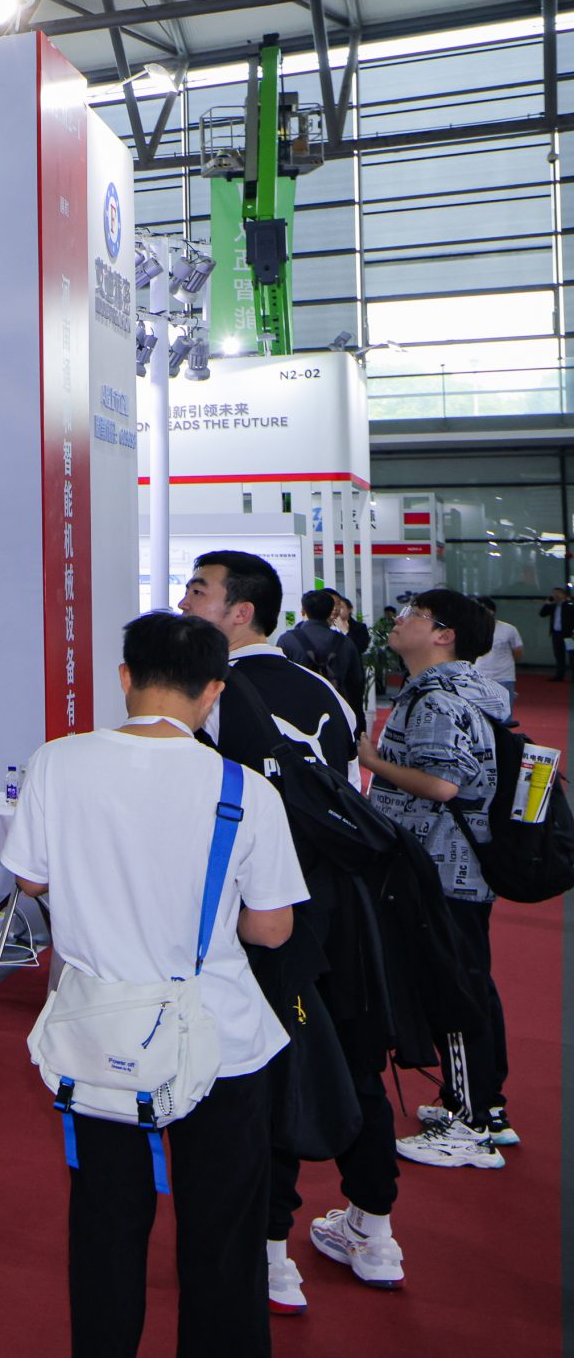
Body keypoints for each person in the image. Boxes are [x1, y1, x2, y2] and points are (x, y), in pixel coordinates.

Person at [4, 611, 305, 1358]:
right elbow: (272, 928)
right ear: (214, 690)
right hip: (220, 1039)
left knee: (105, 1225)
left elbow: (30, 879)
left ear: (125, 677)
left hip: (100, 1034)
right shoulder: (244, 787)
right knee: (224, 1235)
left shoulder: (57, 762)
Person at [180, 552, 395, 1310]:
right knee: (351, 1056)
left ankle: (271, 1251)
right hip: (340, 902)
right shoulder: (326, 690)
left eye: (198, 590)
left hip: (261, 910)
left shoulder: (210, 695)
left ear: (240, 612)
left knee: (266, 1066)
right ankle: (375, 1229)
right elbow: (348, 789)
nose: (185, 600)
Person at [360, 589, 514, 1166]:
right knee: (470, 983)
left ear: (444, 635)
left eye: (414, 615)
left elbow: (443, 784)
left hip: (441, 866)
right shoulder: (470, 691)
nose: (399, 622)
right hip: (462, 866)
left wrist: (373, 763)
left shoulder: (436, 699)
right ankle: (485, 1108)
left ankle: (469, 1125)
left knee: (453, 990)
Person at [279, 589, 368, 723]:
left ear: (303, 610)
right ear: (330, 611)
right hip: (336, 713)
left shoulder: (287, 639)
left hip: (297, 714)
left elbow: (280, 680)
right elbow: (357, 680)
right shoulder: (346, 643)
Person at [469, 597, 520, 717]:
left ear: (491, 611)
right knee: (478, 713)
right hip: (478, 675)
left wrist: (507, 664)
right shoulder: (471, 629)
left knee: (504, 713)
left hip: (504, 676)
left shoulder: (508, 629)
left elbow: (518, 651)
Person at [546, 585, 572, 681]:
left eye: (557, 593)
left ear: (563, 595)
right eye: (554, 594)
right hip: (557, 633)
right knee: (559, 655)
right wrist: (547, 604)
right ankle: (559, 675)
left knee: (571, 655)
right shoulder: (553, 606)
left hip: (569, 634)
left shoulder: (569, 605)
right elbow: (542, 614)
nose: (555, 596)